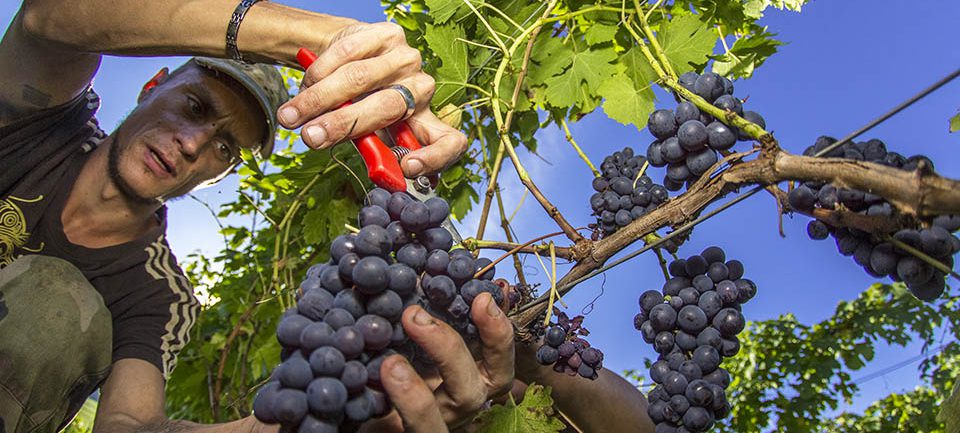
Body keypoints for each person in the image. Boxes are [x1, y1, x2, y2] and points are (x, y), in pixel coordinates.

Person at [0, 1, 652, 432]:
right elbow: (43, 22)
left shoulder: (156, 296)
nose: (196, 143)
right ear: (151, 85)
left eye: (226, 146)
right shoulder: (32, 127)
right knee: (51, 297)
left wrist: (333, 414)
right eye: (195, 106)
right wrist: (303, 38)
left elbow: (129, 429)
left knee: (55, 306)